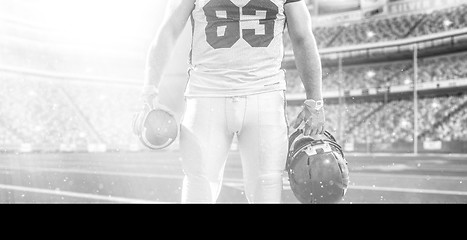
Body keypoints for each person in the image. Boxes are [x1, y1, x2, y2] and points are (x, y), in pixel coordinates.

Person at [139, 0, 325, 203]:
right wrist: (314, 102)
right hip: (215, 96)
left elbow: (303, 38)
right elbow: (169, 30)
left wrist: (315, 101)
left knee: (261, 188)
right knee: (203, 187)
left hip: (249, 97)